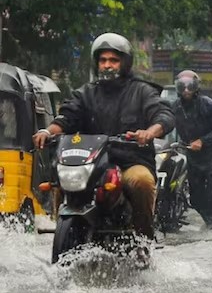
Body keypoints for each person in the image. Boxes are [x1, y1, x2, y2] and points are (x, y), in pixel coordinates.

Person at [32, 32, 175, 244]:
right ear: (97, 63)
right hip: (92, 165)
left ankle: (144, 241)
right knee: (63, 182)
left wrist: (149, 133)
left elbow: (164, 115)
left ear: (125, 63)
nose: (107, 65)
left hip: (130, 162)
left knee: (142, 182)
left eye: (114, 60)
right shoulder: (85, 93)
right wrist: (47, 131)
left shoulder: (142, 91)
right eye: (103, 60)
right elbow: (66, 117)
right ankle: (61, 228)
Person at [173, 70, 212, 228]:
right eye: (183, 87)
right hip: (192, 156)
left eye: (190, 86)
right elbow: (167, 124)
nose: (186, 90)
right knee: (195, 197)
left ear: (196, 87)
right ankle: (208, 220)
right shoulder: (175, 107)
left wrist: (202, 141)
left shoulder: (208, 104)